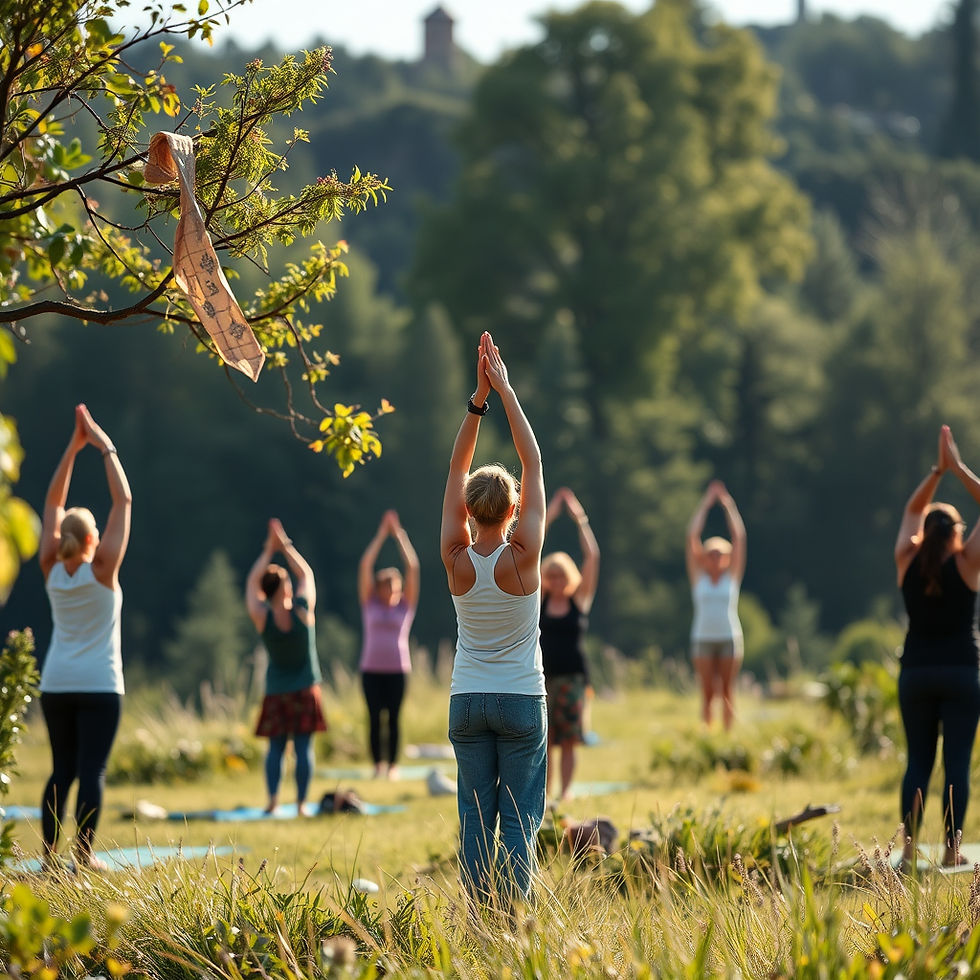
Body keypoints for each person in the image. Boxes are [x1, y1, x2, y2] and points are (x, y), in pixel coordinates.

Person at [440, 331, 547, 908]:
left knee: (476, 820)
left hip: (466, 700)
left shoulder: (456, 559)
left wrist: (476, 402)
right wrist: (504, 389)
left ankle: (481, 919)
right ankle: (515, 920)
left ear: (468, 510)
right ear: (512, 510)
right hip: (522, 700)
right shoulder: (523, 558)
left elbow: (457, 468)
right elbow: (531, 460)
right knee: (520, 818)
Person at [38, 404, 132, 870]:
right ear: (94, 541)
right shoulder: (103, 571)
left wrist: (71, 450)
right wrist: (102, 444)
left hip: (56, 684)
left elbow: (53, 504)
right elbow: (125, 502)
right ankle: (83, 856)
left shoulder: (51, 569)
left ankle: (50, 858)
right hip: (99, 685)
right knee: (91, 769)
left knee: (61, 771)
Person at [894, 424, 980, 867]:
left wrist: (936, 471)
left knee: (918, 764)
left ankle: (908, 851)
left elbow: (912, 508)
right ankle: (950, 852)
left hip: (916, 674)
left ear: (925, 533)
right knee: (956, 767)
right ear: (956, 535)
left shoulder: (906, 561)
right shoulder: (967, 564)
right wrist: (958, 467)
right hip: (962, 674)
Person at [245, 518, 326, 816]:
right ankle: (302, 805)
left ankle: (272, 802)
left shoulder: (262, 617)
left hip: (277, 691)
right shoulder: (303, 611)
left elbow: (252, 584)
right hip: (305, 689)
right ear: (286, 588)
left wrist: (268, 550)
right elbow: (306, 573)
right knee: (303, 749)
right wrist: (285, 545)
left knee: (275, 750)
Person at [541, 487, 599, 802]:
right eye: (551, 576)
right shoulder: (540, 601)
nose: (556, 581)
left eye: (561, 576)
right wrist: (547, 519)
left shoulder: (579, 601)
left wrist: (580, 521)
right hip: (544, 678)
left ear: (570, 577)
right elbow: (532, 552)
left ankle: (565, 793)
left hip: (574, 678)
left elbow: (592, 557)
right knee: (544, 739)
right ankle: (546, 793)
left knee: (569, 739)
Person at [358, 510, 420, 779]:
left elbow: (413, 568)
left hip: (397, 669)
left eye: (396, 589)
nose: (392, 593)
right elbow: (365, 566)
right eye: (387, 588)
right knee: (374, 719)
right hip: (371, 669)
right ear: (379, 588)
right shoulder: (370, 604)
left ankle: (393, 766)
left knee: (394, 718)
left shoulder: (405, 607)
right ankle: (377, 765)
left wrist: (400, 537)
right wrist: (382, 536)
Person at [686, 479, 746, 731]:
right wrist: (706, 505)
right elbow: (691, 536)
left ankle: (728, 735)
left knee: (728, 691)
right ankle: (708, 733)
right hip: (702, 638)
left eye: (720, 554)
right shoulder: (698, 579)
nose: (715, 558)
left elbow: (739, 537)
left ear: (727, 557)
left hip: (728, 637)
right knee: (707, 691)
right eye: (711, 553)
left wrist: (728, 506)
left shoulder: (731, 578)